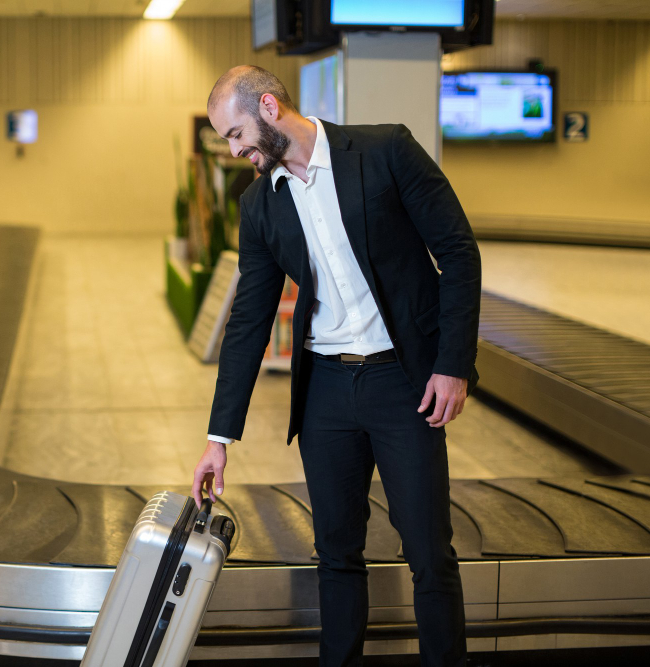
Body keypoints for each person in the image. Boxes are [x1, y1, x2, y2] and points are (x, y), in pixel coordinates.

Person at [191, 66, 481, 666]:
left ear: (269, 107)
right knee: (336, 554)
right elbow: (249, 321)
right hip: (325, 390)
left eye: (235, 132)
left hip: (404, 381)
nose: (234, 148)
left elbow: (457, 250)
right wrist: (219, 438)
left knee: (428, 550)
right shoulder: (259, 205)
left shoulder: (384, 150)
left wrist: (452, 364)